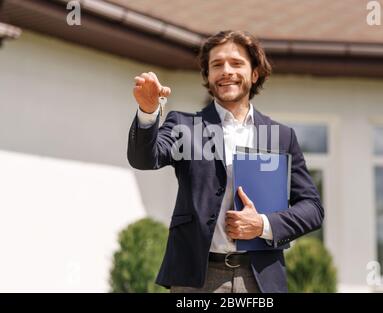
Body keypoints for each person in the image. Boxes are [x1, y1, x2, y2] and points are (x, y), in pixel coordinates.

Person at [127, 30, 324, 293]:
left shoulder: (281, 136)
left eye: (236, 63)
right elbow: (144, 159)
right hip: (196, 279)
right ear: (208, 77)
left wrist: (263, 225)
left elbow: (312, 208)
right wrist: (148, 112)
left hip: (260, 278)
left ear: (254, 74)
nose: (226, 71)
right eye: (216, 65)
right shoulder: (185, 126)